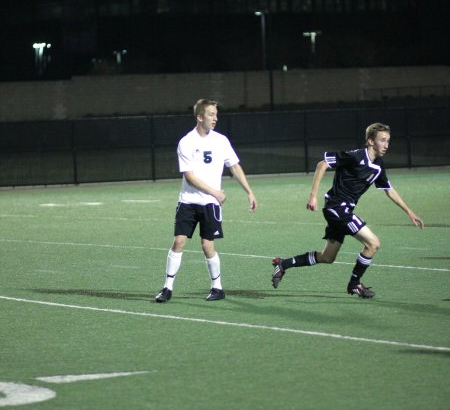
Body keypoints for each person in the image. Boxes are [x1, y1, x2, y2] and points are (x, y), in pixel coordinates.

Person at [272, 123, 424, 298]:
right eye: (382, 140)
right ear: (370, 141)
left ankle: (283, 264)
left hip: (340, 211)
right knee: (373, 243)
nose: (386, 145)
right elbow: (322, 164)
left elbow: (388, 189)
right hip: (337, 208)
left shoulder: (379, 166)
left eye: (388, 141)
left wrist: (409, 212)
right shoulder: (355, 156)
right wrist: (313, 195)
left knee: (327, 257)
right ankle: (354, 284)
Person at [155, 99, 257, 302]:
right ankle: (167, 288)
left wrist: (249, 191)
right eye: (211, 114)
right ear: (199, 117)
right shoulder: (187, 142)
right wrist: (215, 192)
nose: (215, 118)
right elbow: (189, 177)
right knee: (178, 242)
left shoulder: (221, 140)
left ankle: (217, 288)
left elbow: (234, 166)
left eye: (216, 114)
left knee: (207, 245)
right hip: (188, 201)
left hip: (210, 205)